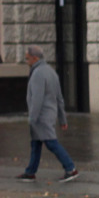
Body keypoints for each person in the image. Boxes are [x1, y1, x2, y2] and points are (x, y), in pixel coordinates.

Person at [15, 45, 78, 182]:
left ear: (35, 58)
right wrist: (62, 119)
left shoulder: (38, 73)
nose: (27, 62)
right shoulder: (51, 72)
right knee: (36, 144)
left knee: (51, 143)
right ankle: (30, 172)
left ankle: (70, 168)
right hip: (49, 114)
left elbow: (37, 98)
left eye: (27, 59)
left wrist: (32, 117)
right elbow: (59, 97)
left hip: (41, 116)